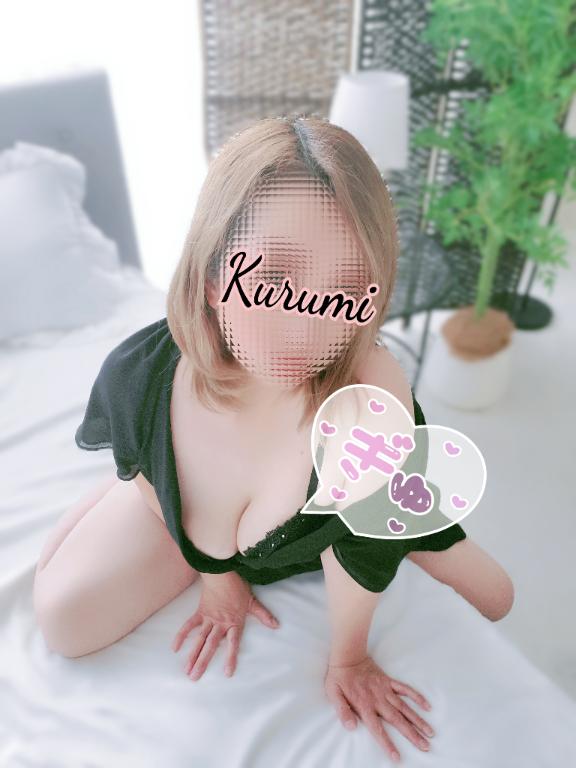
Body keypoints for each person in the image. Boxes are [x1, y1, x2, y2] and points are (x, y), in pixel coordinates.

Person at [33, 115, 514, 763]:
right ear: (213, 275)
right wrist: (218, 577)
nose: (306, 328)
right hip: (207, 517)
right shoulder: (139, 377)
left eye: (346, 289)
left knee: (496, 597)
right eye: (276, 278)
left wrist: (348, 658)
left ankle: (410, 516)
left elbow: (362, 547)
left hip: (376, 501)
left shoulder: (368, 398)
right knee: (64, 622)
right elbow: (142, 469)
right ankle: (166, 509)